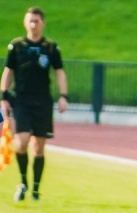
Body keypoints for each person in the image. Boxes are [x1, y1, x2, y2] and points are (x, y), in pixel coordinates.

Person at [1, 6, 68, 202]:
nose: (33, 24)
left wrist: (64, 96)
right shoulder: (17, 46)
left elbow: (59, 72)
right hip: (21, 100)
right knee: (21, 142)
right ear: (25, 22)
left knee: (39, 146)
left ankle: (36, 189)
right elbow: (8, 72)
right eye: (30, 21)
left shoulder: (51, 47)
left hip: (43, 102)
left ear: (43, 23)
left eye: (37, 21)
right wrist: (3, 96)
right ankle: (23, 182)